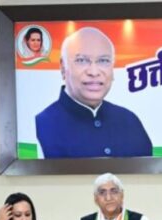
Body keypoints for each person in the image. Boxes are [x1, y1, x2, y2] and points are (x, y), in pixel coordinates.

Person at [35, 27, 152, 158]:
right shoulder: (40, 126)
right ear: (63, 67)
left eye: (103, 61)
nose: (94, 72)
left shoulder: (129, 121)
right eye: (81, 60)